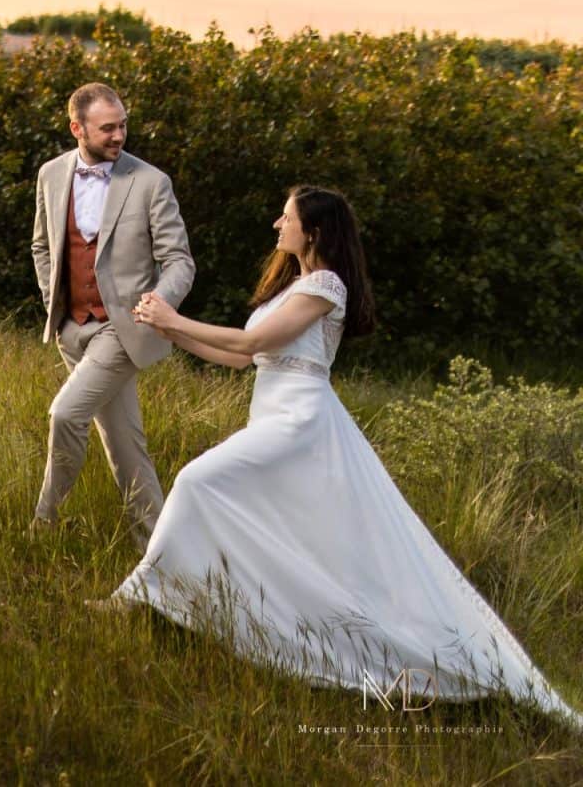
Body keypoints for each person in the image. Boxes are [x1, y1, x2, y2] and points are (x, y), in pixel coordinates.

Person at [109, 185, 583, 728]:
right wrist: (166, 330)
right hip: (273, 413)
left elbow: (247, 344)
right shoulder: (294, 283)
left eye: (285, 217)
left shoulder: (326, 284)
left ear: (313, 231)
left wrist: (173, 319)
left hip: (300, 422)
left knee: (196, 480)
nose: (276, 224)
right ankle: (208, 604)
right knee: (284, 529)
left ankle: (143, 594)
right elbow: (241, 357)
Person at [30, 82, 196, 545]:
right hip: (71, 330)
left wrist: (157, 306)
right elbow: (42, 245)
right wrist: (55, 307)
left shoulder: (150, 181)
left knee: (65, 414)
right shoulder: (50, 175)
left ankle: (44, 522)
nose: (119, 135)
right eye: (108, 128)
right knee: (126, 447)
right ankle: (162, 557)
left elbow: (180, 261)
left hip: (122, 331)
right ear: (76, 128)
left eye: (123, 124)